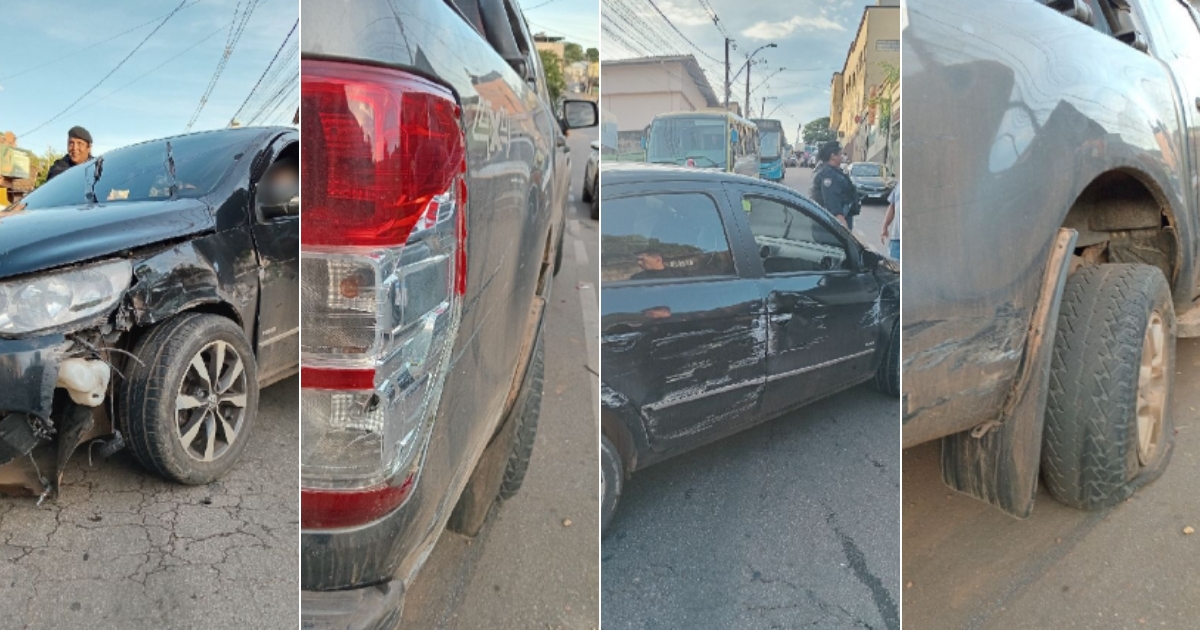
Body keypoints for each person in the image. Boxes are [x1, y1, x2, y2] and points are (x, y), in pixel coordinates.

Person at [809, 141, 859, 230]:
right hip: (831, 226)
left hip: (828, 224)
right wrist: (845, 232)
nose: (842, 156)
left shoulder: (829, 170)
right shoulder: (828, 174)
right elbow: (832, 203)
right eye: (840, 154)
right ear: (833, 156)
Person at [881, 179, 901, 260]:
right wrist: (884, 226)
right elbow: (892, 206)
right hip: (896, 239)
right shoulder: (899, 185)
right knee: (894, 268)